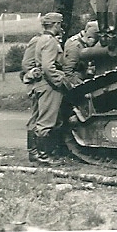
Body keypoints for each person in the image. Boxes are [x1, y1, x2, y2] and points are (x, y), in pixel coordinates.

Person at [27, 12, 71, 165]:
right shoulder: (51, 41)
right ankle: (43, 156)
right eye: (60, 24)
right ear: (56, 25)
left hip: (41, 84)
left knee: (39, 119)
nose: (61, 26)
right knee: (47, 121)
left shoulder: (41, 39)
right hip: (49, 85)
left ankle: (35, 154)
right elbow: (47, 66)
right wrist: (59, 81)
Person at [62, 20, 100, 87]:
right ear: (89, 37)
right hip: (74, 81)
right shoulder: (75, 46)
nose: (94, 45)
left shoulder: (82, 43)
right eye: (95, 41)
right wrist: (81, 85)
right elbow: (68, 72)